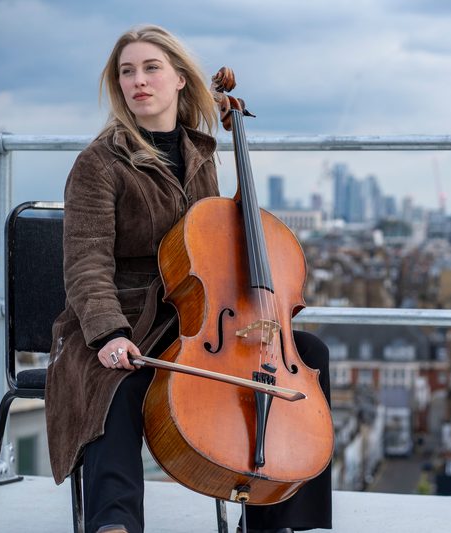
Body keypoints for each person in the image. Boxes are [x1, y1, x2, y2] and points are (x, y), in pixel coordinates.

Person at [45, 24, 332, 533]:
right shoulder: (99, 163)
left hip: (192, 316)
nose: (139, 81)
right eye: (127, 72)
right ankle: (114, 524)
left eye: (151, 68)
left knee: (305, 355)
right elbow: (86, 263)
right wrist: (108, 333)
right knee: (114, 385)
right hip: (124, 318)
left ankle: (279, 521)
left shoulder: (200, 152)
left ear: (179, 79)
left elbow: (212, 247)